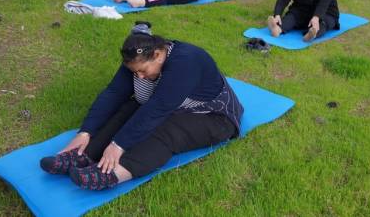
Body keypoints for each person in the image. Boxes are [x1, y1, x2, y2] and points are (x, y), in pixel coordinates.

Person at [39, 21, 244, 190]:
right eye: (135, 72)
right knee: (129, 108)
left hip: (215, 117)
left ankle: (113, 173)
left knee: (167, 128)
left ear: (157, 54)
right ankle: (83, 155)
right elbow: (114, 93)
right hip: (176, 105)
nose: (139, 76)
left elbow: (158, 109)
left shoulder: (187, 62)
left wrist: (118, 145)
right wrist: (86, 132)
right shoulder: (137, 59)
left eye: (143, 71)